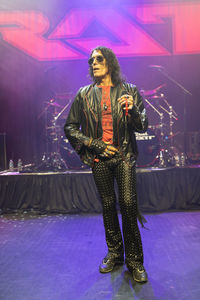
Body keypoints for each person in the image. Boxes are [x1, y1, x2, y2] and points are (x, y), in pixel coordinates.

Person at [64, 46, 148, 283]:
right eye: (91, 60)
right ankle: (115, 254)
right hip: (99, 159)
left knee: (129, 204)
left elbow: (143, 126)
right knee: (109, 206)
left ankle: (135, 261)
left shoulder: (129, 90)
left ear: (109, 62)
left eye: (99, 59)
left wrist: (132, 111)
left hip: (124, 156)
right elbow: (70, 128)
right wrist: (95, 145)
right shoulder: (83, 94)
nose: (94, 63)